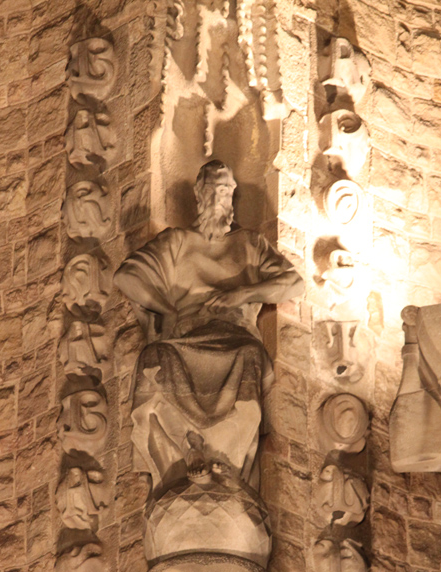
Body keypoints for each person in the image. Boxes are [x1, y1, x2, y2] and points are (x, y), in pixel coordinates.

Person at [115, 160, 303, 490]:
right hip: (184, 335)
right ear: (199, 195)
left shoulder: (250, 244)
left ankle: (227, 460)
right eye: (212, 190)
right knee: (154, 359)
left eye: (226, 190)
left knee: (247, 354)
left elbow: (293, 284)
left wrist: (244, 292)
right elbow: (127, 276)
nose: (219, 198)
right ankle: (187, 450)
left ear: (233, 197)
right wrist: (169, 308)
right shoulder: (175, 243)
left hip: (234, 337)